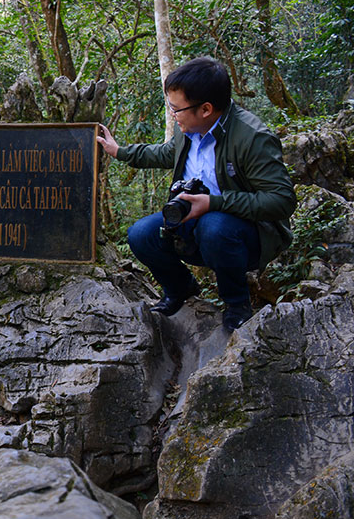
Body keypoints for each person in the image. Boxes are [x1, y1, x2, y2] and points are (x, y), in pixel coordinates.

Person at [96, 57, 296, 331]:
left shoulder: (252, 137)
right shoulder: (189, 130)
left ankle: (237, 303)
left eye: (177, 109)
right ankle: (181, 289)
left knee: (214, 226)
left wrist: (213, 203)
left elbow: (282, 201)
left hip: (245, 235)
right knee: (141, 234)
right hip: (194, 224)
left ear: (205, 109)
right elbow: (166, 153)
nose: (173, 115)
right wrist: (120, 151)